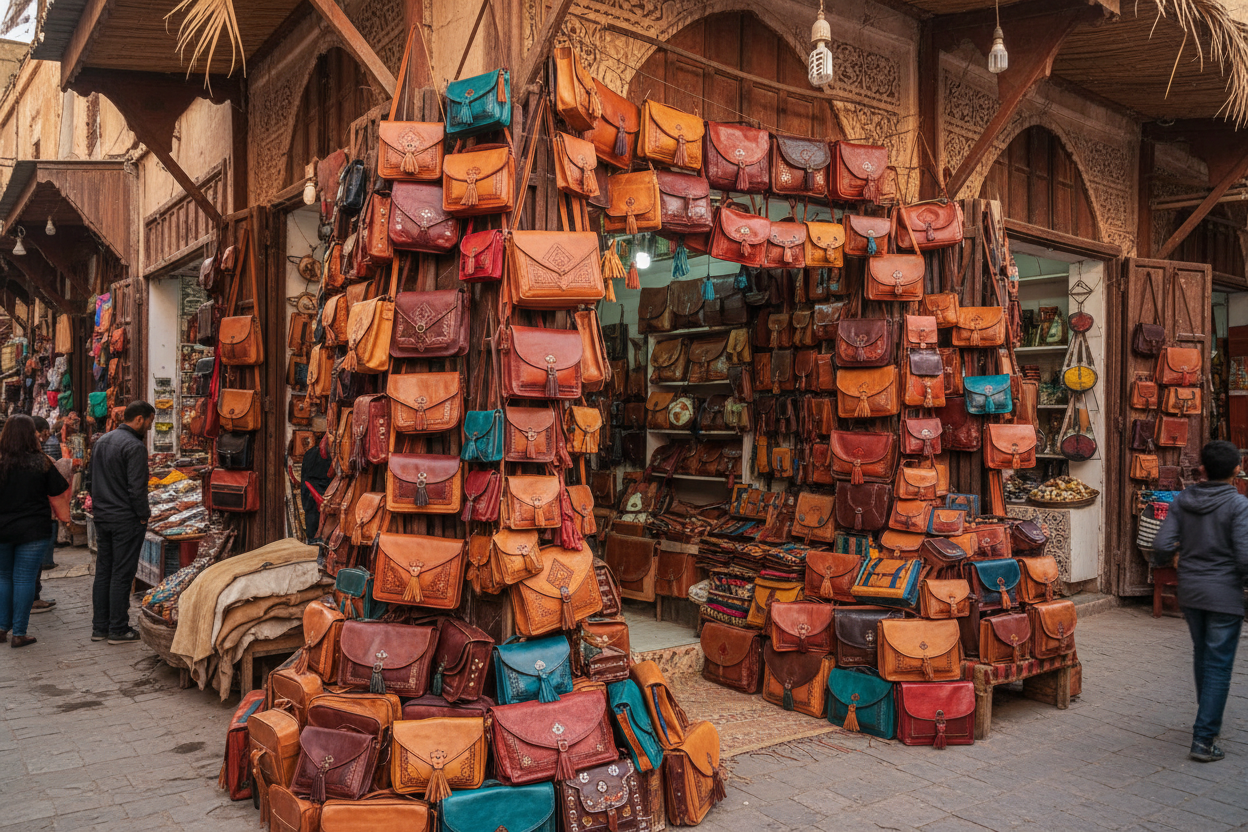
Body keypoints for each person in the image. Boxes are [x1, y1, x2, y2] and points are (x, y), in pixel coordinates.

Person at [1152, 439, 1248, 763]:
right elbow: (1245, 556)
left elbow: (1162, 544)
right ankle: (1204, 738)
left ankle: (1207, 719)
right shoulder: (1238, 505)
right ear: (1237, 470)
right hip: (1224, 594)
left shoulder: (1183, 500)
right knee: (1219, 663)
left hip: (1191, 590)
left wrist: (1184, 555)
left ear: (1203, 469)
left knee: (1202, 653)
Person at [0, 414, 70, 648]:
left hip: (2, 529)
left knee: (3, 577)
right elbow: (59, 488)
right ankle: (19, 633)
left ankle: (1, 629)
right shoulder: (41, 461)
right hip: (33, 529)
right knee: (24, 579)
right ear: (31, 434)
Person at [89, 400, 154, 645]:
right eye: (149, 421)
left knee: (104, 571)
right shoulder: (134, 447)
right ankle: (117, 628)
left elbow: (90, 480)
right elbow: (137, 489)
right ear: (140, 419)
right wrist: (143, 515)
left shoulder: (102, 441)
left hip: (103, 516)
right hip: (124, 519)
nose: (149, 427)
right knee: (121, 574)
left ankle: (100, 627)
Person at [29, 416, 59, 612]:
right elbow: (57, 487)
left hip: (9, 524)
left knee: (8, 574)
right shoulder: (39, 459)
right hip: (33, 523)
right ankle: (32, 600)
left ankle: (7, 625)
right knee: (30, 568)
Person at [300, 434, 332, 541]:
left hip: (311, 501)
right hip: (325, 501)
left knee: (313, 537)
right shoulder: (332, 457)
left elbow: (304, 483)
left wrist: (306, 506)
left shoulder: (309, 454)